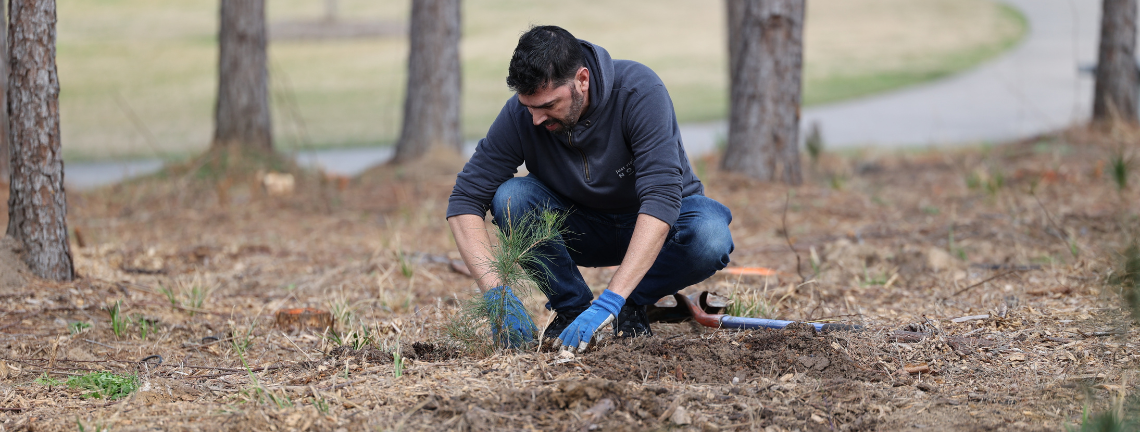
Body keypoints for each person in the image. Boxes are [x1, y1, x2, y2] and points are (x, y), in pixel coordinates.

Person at [447, 25, 734, 352]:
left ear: (582, 80)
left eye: (549, 105)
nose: (536, 119)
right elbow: (464, 201)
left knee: (710, 234)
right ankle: (572, 308)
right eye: (529, 107)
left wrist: (612, 298)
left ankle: (632, 303)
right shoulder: (524, 115)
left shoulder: (638, 91)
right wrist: (496, 297)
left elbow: (660, 199)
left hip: (656, 229)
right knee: (511, 198)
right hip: (581, 228)